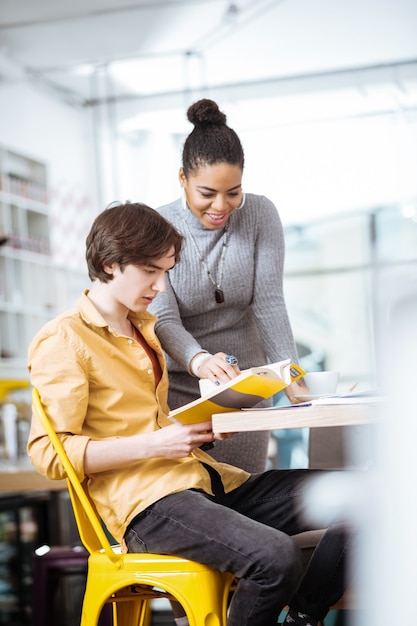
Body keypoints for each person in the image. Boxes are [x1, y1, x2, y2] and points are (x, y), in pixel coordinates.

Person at [27, 202, 351, 626]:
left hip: (204, 481)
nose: (162, 286)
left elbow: (148, 420)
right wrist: (158, 443)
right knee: (275, 557)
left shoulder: (143, 327)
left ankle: (303, 618)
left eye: (167, 271)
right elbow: (50, 456)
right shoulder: (64, 339)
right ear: (110, 264)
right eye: (150, 271)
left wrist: (204, 424)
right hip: (147, 506)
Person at [149, 98, 308, 473]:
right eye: (207, 193)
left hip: (246, 390)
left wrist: (293, 376)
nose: (221, 206)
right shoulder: (157, 225)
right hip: (183, 392)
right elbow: (163, 318)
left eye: (233, 192)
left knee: (248, 496)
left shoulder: (260, 214)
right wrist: (199, 359)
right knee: (199, 507)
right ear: (182, 178)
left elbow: (270, 303)